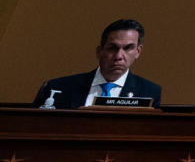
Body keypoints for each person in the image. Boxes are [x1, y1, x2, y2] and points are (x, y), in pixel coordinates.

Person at [32, 19, 162, 109]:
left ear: (138, 52)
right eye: (112, 48)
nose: (119, 56)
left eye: (128, 48)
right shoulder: (58, 88)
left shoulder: (148, 92)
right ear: (100, 51)